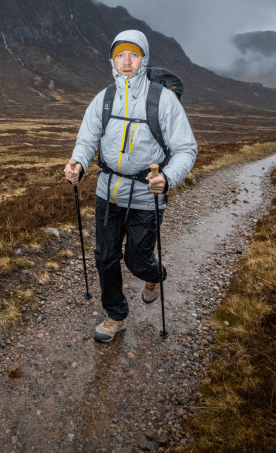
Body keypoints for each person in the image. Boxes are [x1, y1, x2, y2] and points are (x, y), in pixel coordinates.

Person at [64, 29, 197, 342]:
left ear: (144, 58)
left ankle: (154, 275)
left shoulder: (163, 101)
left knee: (137, 261)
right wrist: (78, 164)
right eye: (120, 54)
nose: (126, 62)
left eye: (133, 55)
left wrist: (167, 178)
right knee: (105, 256)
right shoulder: (105, 98)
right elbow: (87, 138)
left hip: (145, 198)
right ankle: (115, 315)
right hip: (107, 193)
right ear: (112, 59)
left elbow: (186, 149)